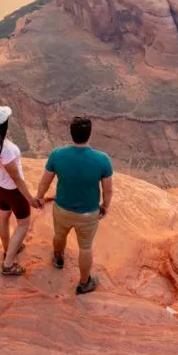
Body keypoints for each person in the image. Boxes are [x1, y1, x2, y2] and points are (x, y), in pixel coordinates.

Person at [35, 116, 113, 295]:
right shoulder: (102, 160)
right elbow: (107, 190)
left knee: (59, 235)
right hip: (88, 213)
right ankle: (84, 283)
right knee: (85, 247)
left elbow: (45, 182)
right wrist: (105, 207)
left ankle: (58, 258)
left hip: (61, 208)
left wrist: (39, 197)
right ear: (89, 134)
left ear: (71, 133)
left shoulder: (57, 154)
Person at [0, 105, 39, 276]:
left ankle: (9, 249)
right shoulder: (7, 149)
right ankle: (8, 264)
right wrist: (29, 198)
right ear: (5, 125)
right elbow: (16, 178)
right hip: (12, 191)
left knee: (4, 218)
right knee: (23, 224)